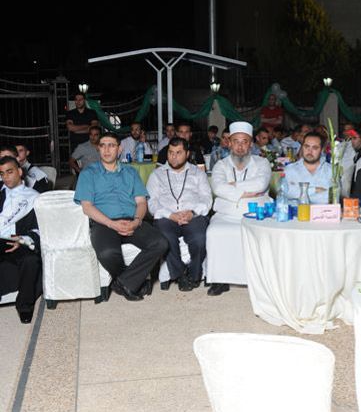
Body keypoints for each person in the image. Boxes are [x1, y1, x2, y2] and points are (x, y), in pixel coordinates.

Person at [74, 132, 168, 301]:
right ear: (98, 149)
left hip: (131, 220)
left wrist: (136, 221)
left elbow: (141, 202)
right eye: (103, 145)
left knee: (160, 243)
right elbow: (87, 207)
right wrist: (112, 224)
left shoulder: (131, 172)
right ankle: (131, 282)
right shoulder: (88, 173)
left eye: (111, 145)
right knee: (107, 253)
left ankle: (123, 283)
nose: (106, 150)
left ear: (119, 149)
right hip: (104, 223)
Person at [206, 121, 271, 295]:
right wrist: (248, 192)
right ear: (229, 143)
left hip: (256, 213)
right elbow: (218, 187)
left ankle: (257, 279)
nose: (240, 146)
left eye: (244, 142)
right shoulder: (221, 165)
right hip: (226, 213)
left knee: (261, 235)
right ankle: (219, 279)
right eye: (236, 141)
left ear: (251, 144)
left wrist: (233, 186)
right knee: (214, 232)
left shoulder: (262, 163)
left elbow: (261, 183)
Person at [146, 138, 212, 292]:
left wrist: (192, 213)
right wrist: (170, 215)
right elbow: (151, 203)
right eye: (171, 152)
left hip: (193, 215)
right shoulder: (157, 174)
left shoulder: (198, 173)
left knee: (199, 238)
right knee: (166, 237)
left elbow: (207, 199)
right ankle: (180, 274)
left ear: (187, 154)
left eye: (178, 153)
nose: (174, 156)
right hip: (166, 217)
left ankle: (194, 274)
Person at [0, 156, 42, 324]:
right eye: (2, 174)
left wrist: (22, 240)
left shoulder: (34, 197)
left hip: (18, 241)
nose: (6, 177)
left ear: (19, 171)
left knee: (31, 260)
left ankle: (25, 306)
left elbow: (40, 229)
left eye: (9, 172)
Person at [284, 131, 332, 204]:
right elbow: (287, 192)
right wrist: (315, 190)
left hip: (324, 211)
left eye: (315, 148)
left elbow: (330, 198)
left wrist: (299, 192)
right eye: (306, 146)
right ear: (302, 147)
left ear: (322, 150)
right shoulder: (290, 170)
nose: (310, 151)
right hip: (296, 211)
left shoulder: (331, 171)